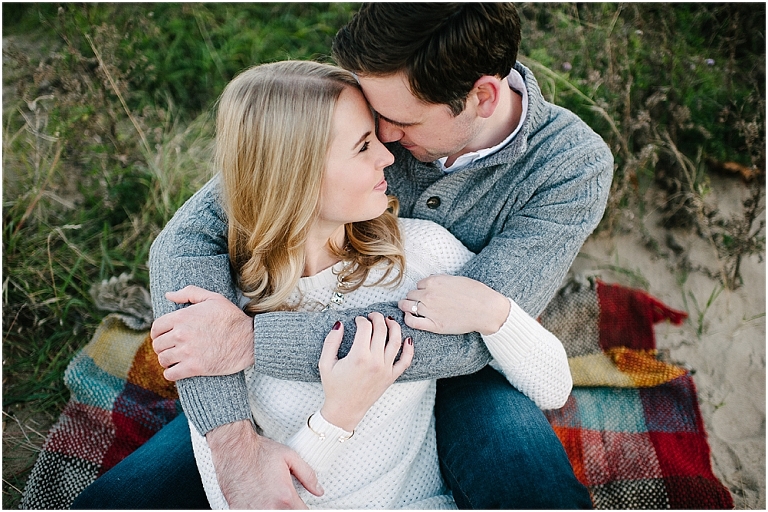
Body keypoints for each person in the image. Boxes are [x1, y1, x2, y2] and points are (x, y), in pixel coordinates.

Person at [74, 3, 612, 509]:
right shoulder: (379, 94)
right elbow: (190, 239)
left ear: (483, 98)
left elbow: (470, 342)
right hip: (291, 375)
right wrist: (232, 438)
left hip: (469, 372)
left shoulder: (570, 165)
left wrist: (249, 341)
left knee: (525, 474)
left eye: (402, 123)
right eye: (373, 119)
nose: (385, 138)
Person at [175, 59, 571, 509]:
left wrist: (495, 313)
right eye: (364, 146)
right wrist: (338, 416)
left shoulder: (420, 255)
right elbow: (247, 498)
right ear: (297, 175)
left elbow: (554, 387)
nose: (388, 155)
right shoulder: (222, 311)